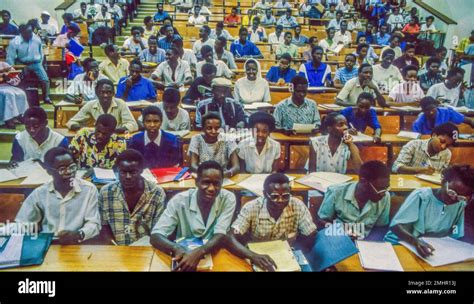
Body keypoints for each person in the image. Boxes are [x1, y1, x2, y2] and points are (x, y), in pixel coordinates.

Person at [150, 161, 237, 272]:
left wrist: (199, 252)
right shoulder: (179, 201)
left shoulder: (228, 198)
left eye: (216, 183)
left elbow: (221, 234)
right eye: (206, 182)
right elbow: (156, 236)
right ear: (196, 182)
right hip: (184, 255)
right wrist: (176, 248)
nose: (211, 188)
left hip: (215, 254)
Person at [227, 173, 317, 271]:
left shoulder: (297, 205)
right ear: (265, 194)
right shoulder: (252, 207)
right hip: (258, 255)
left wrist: (294, 251)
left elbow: (311, 233)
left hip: (287, 254)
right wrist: (253, 256)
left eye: (285, 196)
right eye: (274, 196)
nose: (280, 200)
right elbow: (231, 236)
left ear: (290, 192)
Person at [15, 147, 100, 244]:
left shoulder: (89, 190)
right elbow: (23, 223)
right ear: (49, 171)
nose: (69, 172)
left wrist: (79, 234)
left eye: (72, 167)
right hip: (47, 244)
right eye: (62, 169)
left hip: (78, 243)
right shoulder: (40, 193)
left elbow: (94, 223)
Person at [384, 165, 474, 257]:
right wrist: (414, 241)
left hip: (431, 248)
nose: (453, 199)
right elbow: (396, 226)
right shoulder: (421, 197)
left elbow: (455, 229)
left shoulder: (460, 204)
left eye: (461, 197)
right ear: (443, 182)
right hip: (402, 243)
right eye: (451, 192)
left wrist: (454, 242)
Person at [99, 149, 166, 246]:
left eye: (133, 172)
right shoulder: (106, 192)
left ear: (141, 170)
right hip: (116, 250)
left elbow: (160, 230)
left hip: (147, 251)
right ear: (117, 170)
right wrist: (114, 248)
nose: (128, 176)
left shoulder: (156, 193)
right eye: (123, 172)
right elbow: (104, 227)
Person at [318, 160, 391, 239]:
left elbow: (380, 228)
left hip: (366, 242)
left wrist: (369, 244)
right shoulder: (336, 192)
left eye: (386, 188)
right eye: (379, 189)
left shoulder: (385, 197)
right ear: (363, 181)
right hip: (338, 239)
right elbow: (321, 222)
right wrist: (340, 232)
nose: (383, 193)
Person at [67, 79, 139, 133]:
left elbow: (133, 125)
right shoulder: (90, 105)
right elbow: (71, 122)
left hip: (117, 137)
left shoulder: (120, 103)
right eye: (102, 92)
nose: (105, 96)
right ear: (96, 92)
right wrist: (83, 129)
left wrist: (114, 131)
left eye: (109, 92)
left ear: (114, 93)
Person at [6, 24, 51, 104]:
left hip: (36, 63)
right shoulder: (15, 42)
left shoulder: (36, 39)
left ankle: (46, 97)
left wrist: (39, 63)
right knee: (18, 80)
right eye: (28, 32)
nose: (31, 34)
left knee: (45, 79)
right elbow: (10, 57)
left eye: (31, 31)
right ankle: (20, 98)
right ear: (22, 32)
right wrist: (12, 69)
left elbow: (41, 53)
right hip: (21, 63)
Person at [393, 122, 458, 175]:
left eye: (447, 145)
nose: (443, 147)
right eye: (442, 141)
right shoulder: (414, 145)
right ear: (434, 135)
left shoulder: (447, 154)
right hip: (408, 186)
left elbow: (442, 175)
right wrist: (419, 170)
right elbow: (396, 167)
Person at [189, 112, 240, 177]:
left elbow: (236, 166)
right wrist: (207, 174)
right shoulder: (196, 139)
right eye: (209, 128)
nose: (213, 131)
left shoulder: (228, 139)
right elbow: (193, 165)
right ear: (203, 129)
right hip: (203, 175)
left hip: (223, 176)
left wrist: (227, 173)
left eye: (217, 128)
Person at [0, 61, 28, 128]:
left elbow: (16, 80)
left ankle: (20, 115)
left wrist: (8, 78)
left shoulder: (4, 64)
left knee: (21, 93)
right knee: (8, 94)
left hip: (7, 86)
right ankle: (8, 119)